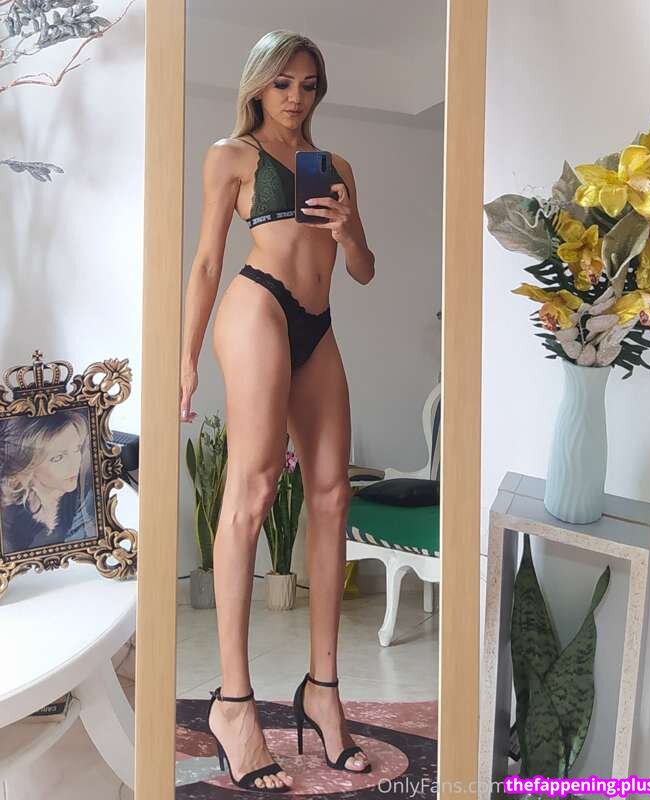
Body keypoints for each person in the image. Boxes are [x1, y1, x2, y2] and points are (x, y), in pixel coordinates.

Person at [179, 29, 375, 794]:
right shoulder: (232, 156)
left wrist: (348, 232)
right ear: (258, 85)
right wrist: (186, 358)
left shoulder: (337, 168)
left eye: (308, 84)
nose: (296, 96)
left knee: (331, 494)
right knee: (254, 487)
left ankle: (322, 691)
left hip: (318, 323)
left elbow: (362, 270)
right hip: (256, 304)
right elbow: (206, 260)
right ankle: (233, 704)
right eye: (282, 82)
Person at [0, 410, 97, 555]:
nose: (75, 464)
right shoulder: (9, 520)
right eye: (58, 457)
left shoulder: (88, 502)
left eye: (76, 449)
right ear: (28, 466)